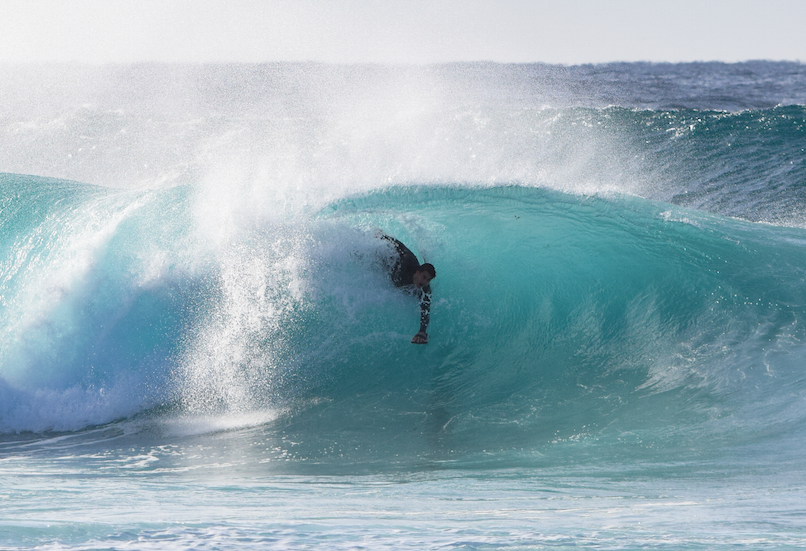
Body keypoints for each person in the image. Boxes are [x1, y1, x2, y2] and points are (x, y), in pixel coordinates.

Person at [379, 233, 436, 344]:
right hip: (392, 252)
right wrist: (382, 237)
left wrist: (422, 332)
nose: (424, 282)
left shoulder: (425, 289)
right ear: (417, 272)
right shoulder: (404, 265)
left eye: (428, 280)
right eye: (424, 277)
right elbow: (399, 248)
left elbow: (425, 311)